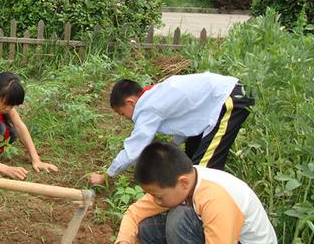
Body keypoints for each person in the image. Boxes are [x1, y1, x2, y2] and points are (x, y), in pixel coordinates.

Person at [110, 142, 277, 244]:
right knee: (147, 227)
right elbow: (134, 213)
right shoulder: (183, 180)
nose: (156, 201)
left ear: (183, 183)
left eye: (158, 196)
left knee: (180, 219)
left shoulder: (215, 198)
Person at [89, 72, 254, 187]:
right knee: (191, 156)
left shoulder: (147, 106)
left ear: (131, 102)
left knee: (203, 171)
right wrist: (174, 143)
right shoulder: (156, 95)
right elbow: (187, 118)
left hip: (228, 99)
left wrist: (106, 175)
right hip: (224, 97)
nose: (124, 117)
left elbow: (134, 148)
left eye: (122, 113)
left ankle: (197, 214)